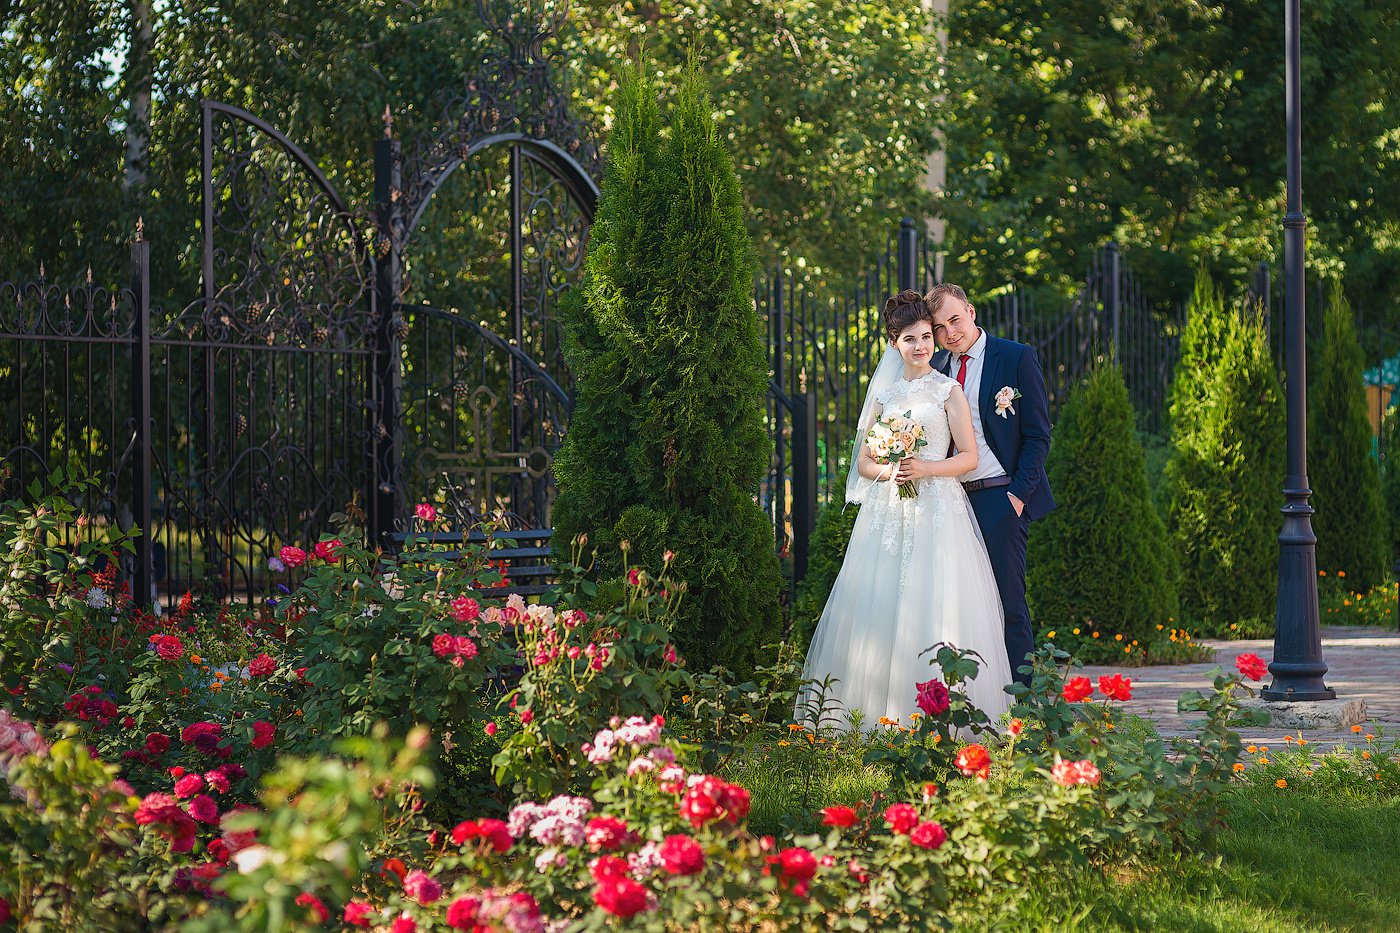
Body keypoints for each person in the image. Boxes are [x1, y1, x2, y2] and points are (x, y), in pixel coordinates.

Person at [801, 290, 1013, 727]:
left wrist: (927, 468)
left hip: (937, 506)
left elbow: (969, 457)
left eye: (926, 336)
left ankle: (942, 717)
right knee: (880, 602)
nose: (921, 346)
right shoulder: (885, 397)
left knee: (936, 600)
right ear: (894, 344)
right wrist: (891, 468)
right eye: (910, 339)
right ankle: (873, 715)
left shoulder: (947, 391)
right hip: (888, 511)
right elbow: (862, 462)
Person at [927, 284, 1054, 688]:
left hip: (1001, 497)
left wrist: (1018, 495)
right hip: (953, 502)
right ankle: (976, 698)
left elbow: (1038, 435)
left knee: (1009, 605)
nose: (949, 333)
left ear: (971, 311)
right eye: (940, 327)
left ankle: (1025, 705)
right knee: (962, 607)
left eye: (955, 319)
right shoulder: (938, 372)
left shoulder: (1016, 357)